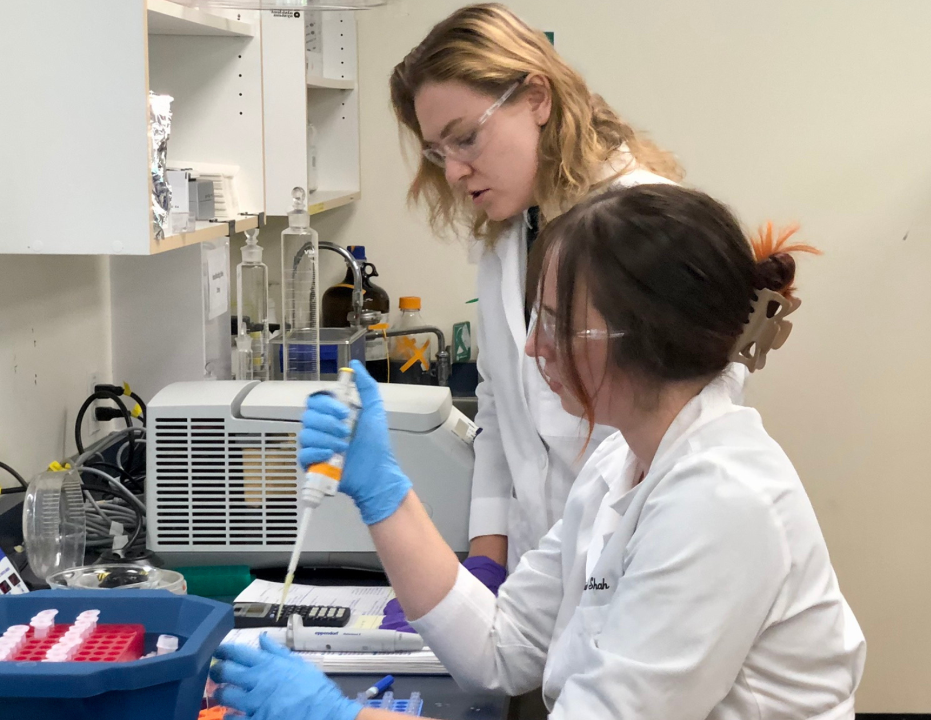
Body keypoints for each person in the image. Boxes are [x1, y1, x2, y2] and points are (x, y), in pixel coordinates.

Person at [211, 184, 867, 720]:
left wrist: (338, 718)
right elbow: (498, 649)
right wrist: (384, 494)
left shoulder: (722, 504)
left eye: (557, 323)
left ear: (648, 336)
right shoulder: (622, 464)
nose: (533, 348)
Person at [387, 3, 703, 591]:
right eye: (438, 152)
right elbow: (500, 410)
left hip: (642, 570)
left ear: (537, 98)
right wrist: (486, 560)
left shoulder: (647, 227)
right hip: (545, 575)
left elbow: (693, 428)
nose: (454, 172)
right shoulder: (511, 235)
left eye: (466, 139)